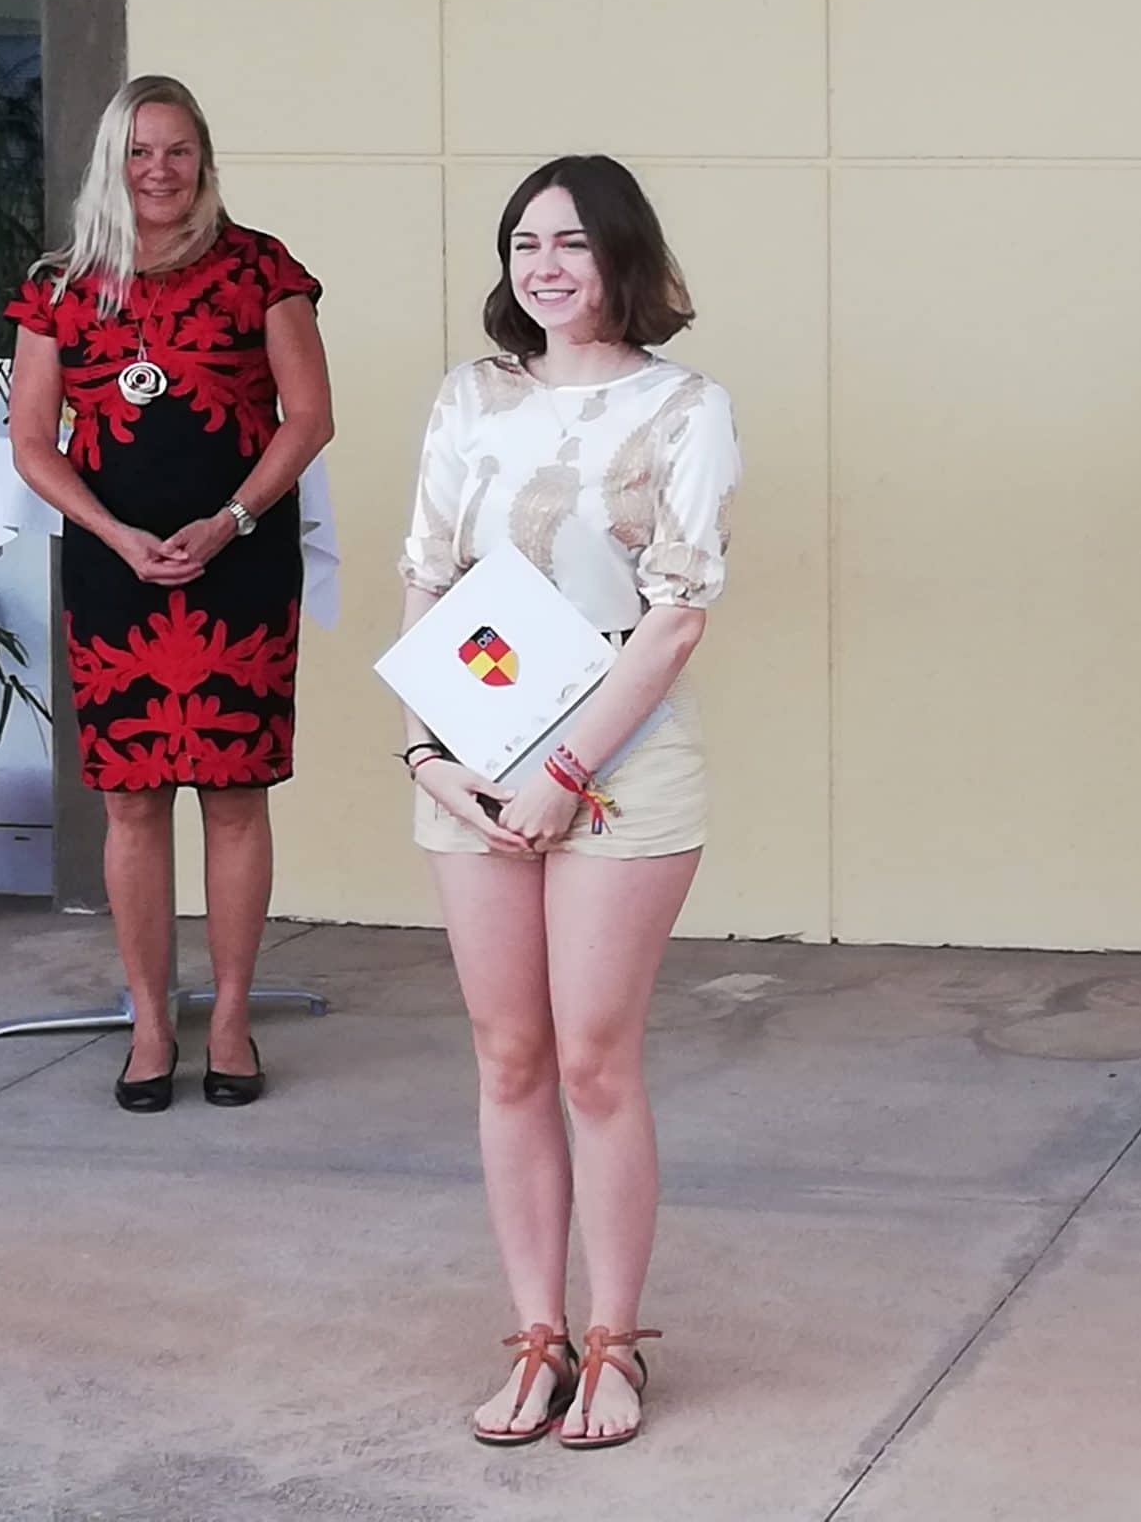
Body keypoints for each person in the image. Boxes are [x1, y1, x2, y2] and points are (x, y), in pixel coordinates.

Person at [397, 154, 738, 1450]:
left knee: (594, 1060)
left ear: (622, 259)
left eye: (573, 244)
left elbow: (675, 616)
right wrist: (428, 752)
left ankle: (613, 1340)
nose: (545, 267)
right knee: (508, 1055)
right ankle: (535, 1333)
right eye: (525, 244)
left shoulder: (685, 408)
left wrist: (562, 773)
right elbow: (426, 578)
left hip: (618, 760)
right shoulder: (470, 398)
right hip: (471, 752)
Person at [7, 75, 334, 1113]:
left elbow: (309, 415)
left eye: (178, 150)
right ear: (113, 162)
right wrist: (114, 535)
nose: (159, 170)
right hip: (116, 569)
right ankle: (152, 1024)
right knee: (132, 802)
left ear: (205, 160)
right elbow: (31, 441)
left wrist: (231, 520)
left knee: (236, 796)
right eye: (140, 151)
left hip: (240, 559)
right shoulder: (61, 286)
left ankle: (229, 1019)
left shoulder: (261, 268)